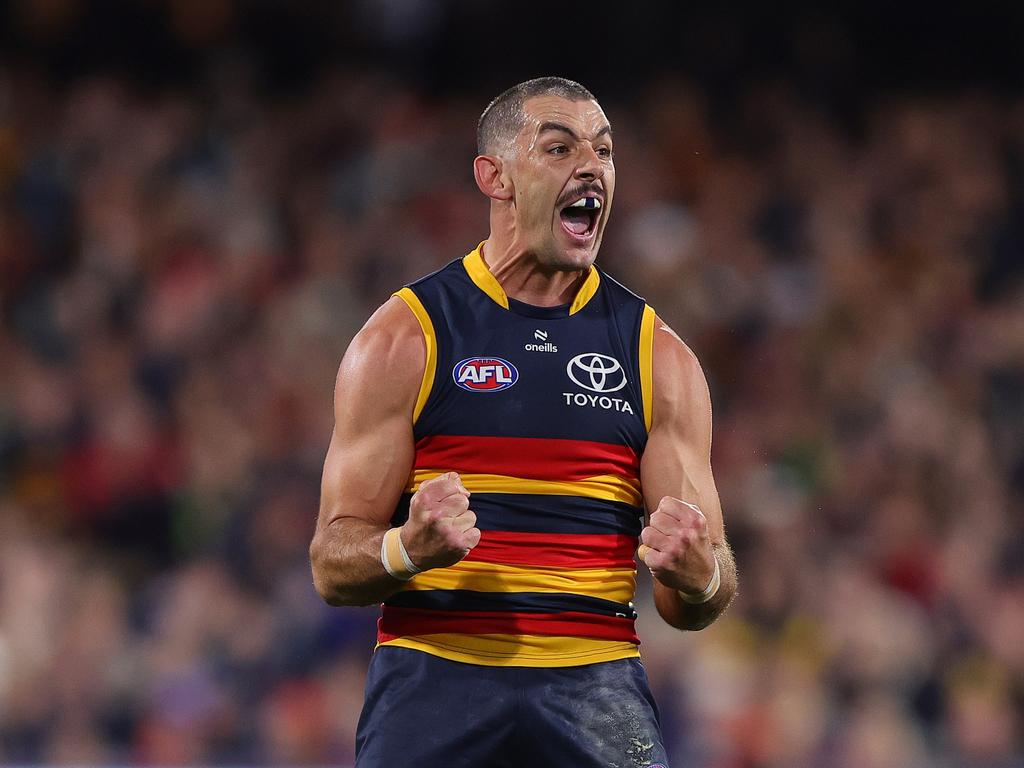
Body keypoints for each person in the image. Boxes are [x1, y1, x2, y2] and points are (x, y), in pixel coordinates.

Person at [309, 76, 738, 768]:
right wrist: (408, 548)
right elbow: (332, 565)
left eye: (603, 150)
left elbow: (699, 596)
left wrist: (698, 576)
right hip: (434, 680)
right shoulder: (406, 338)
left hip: (597, 685)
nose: (591, 165)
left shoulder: (659, 357)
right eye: (559, 147)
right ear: (495, 175)